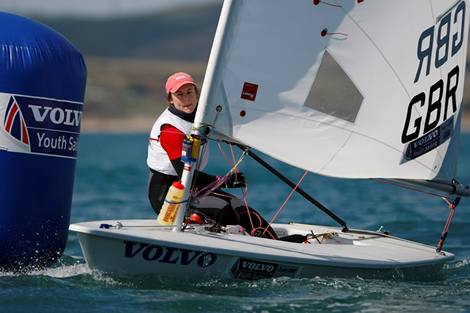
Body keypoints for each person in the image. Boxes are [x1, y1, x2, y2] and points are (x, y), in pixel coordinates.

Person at [147, 72, 277, 239]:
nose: (186, 98)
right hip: (168, 194)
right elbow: (186, 175)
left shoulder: (200, 116)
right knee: (225, 211)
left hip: (193, 188)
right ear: (171, 99)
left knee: (241, 208)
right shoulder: (170, 129)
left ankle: (279, 246)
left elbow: (222, 125)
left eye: (189, 92)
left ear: (197, 93)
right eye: (179, 94)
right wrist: (224, 181)